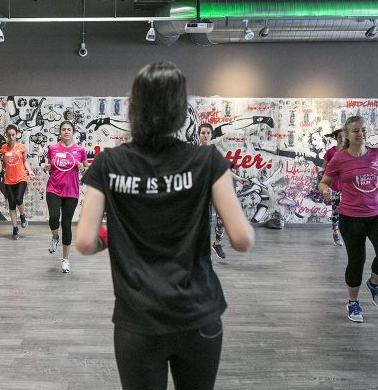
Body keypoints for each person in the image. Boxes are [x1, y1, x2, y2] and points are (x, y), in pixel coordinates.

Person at [76, 62, 254, 390]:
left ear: (133, 108)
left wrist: (112, 236)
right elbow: (242, 239)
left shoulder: (108, 163)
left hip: (138, 324)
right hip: (198, 317)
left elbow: (84, 242)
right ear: (181, 110)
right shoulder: (208, 161)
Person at [318, 115, 378, 323]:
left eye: (363, 130)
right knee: (356, 261)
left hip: (376, 214)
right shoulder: (340, 158)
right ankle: (353, 302)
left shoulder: (377, 155)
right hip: (350, 216)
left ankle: (373, 284)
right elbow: (323, 182)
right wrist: (326, 189)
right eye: (355, 131)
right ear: (347, 134)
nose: (360, 134)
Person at [198, 123, 249, 259]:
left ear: (211, 135)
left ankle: (217, 243)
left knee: (223, 218)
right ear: (199, 135)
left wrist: (238, 178)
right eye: (203, 133)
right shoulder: (195, 152)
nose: (206, 135)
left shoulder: (214, 150)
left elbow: (224, 168)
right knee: (205, 221)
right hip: (202, 190)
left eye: (208, 133)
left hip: (217, 189)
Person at [43, 121, 89, 273]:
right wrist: (47, 167)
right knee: (54, 217)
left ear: (73, 132)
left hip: (71, 191)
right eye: (63, 129)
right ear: (60, 132)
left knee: (66, 223)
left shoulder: (80, 149)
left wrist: (82, 168)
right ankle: (55, 237)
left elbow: (85, 167)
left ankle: (65, 260)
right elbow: (49, 167)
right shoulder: (53, 148)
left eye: (69, 129)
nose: (66, 132)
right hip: (53, 188)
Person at [0, 124, 35, 240]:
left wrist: (30, 171)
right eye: (9, 135)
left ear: (16, 135)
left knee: (18, 200)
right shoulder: (4, 148)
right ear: (6, 135)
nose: (11, 137)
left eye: (13, 135)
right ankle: (15, 228)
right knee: (11, 204)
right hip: (8, 180)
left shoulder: (22, 147)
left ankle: (23, 216)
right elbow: (4, 164)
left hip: (21, 178)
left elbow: (25, 161)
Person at [321, 128, 345, 246]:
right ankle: (336, 232)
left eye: (344, 136)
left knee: (347, 212)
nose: (342, 139)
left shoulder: (350, 151)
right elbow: (323, 168)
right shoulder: (331, 152)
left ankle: (347, 233)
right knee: (336, 211)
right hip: (334, 187)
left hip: (347, 188)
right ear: (336, 138)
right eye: (340, 136)